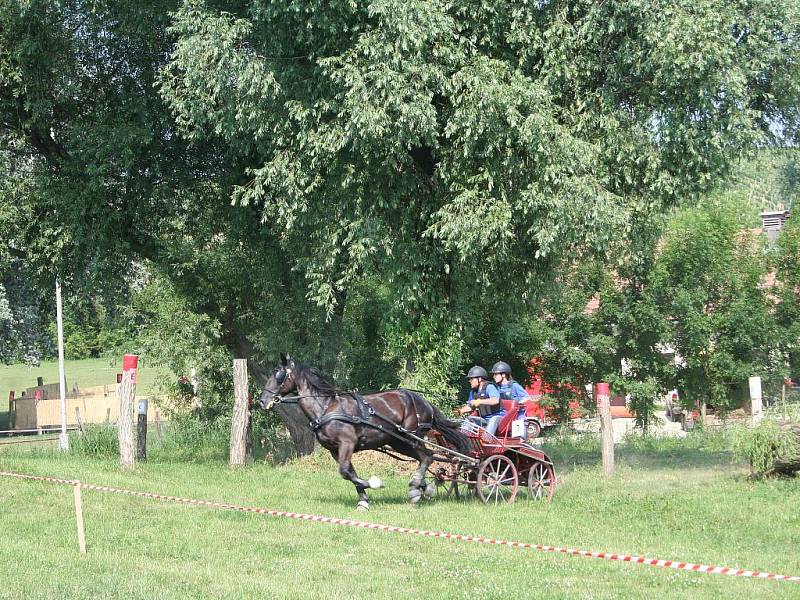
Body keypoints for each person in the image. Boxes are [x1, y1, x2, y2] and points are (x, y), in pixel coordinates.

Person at [459, 365, 504, 436]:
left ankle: (487, 439)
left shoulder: (490, 387)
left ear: (479, 379)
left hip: (499, 418)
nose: (470, 381)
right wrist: (460, 411)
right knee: (469, 419)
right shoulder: (473, 392)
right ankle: (463, 439)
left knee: (493, 419)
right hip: (484, 419)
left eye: (471, 379)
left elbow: (495, 400)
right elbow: (470, 406)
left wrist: (480, 401)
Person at [489, 361, 531, 439]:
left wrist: (516, 404)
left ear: (503, 375)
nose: (494, 376)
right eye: (493, 374)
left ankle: (521, 441)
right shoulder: (497, 388)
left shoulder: (513, 385)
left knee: (520, 425)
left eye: (496, 374)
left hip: (516, 415)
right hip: (504, 415)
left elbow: (526, 397)